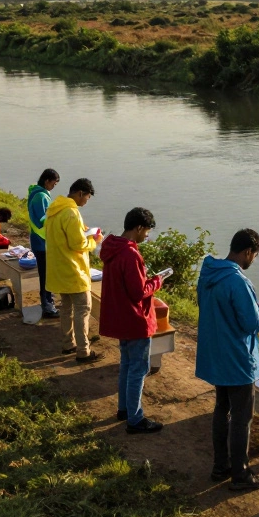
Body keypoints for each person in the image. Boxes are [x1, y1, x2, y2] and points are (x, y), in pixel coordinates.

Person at [195, 228, 259, 492]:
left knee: (221, 410)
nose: (253, 261)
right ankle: (241, 474)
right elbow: (251, 322)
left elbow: (203, 305)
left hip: (216, 354)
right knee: (241, 417)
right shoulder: (238, 281)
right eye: (254, 256)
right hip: (237, 359)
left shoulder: (208, 273)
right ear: (248, 252)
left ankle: (220, 466)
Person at [99, 207, 166, 434]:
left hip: (120, 317)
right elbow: (138, 292)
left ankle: (124, 409)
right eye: (146, 231)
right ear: (138, 228)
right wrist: (157, 281)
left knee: (127, 365)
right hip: (135, 319)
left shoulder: (113, 249)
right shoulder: (131, 254)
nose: (147, 235)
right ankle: (135, 419)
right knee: (139, 368)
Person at [46, 178, 103, 361]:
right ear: (80, 193)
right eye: (87, 197)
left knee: (66, 309)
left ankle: (67, 344)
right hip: (73, 270)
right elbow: (77, 243)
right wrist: (94, 241)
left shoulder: (55, 209)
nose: (86, 201)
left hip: (59, 268)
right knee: (82, 309)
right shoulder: (71, 213)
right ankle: (83, 351)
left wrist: (81, 230)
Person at [26, 168, 61, 319]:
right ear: (47, 181)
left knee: (45, 274)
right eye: (54, 183)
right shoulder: (41, 197)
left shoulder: (36, 193)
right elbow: (43, 220)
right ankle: (47, 305)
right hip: (42, 242)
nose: (54, 187)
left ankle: (48, 302)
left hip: (39, 240)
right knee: (46, 275)